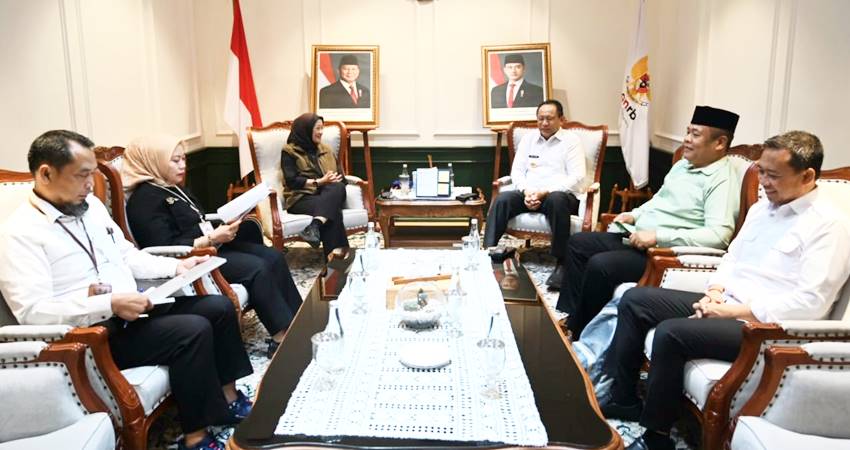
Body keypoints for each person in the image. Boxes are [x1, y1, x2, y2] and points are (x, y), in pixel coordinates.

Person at [0, 130, 253, 450]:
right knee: (191, 329)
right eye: (81, 176)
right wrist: (110, 302)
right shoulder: (19, 234)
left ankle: (228, 400)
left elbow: (126, 255)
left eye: (92, 173)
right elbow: (32, 310)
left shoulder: (89, 207)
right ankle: (196, 438)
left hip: (132, 310)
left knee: (216, 307)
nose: (91, 185)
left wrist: (175, 267)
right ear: (46, 173)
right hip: (92, 336)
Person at [600, 130, 850, 450]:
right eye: (760, 171)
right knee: (636, 299)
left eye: (773, 175)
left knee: (671, 333)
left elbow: (810, 303)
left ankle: (657, 434)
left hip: (762, 327)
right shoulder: (762, 209)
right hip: (726, 303)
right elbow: (732, 257)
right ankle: (623, 399)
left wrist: (731, 311)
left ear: (807, 175)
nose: (763, 182)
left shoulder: (830, 226)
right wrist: (716, 291)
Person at [557, 106, 741, 337]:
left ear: (719, 143)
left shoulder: (722, 180)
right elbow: (658, 201)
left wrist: (658, 236)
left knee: (601, 265)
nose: (686, 140)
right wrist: (634, 214)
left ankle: (581, 331)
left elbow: (718, 236)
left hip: (663, 253)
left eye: (695, 134)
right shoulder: (683, 165)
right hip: (638, 237)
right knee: (579, 243)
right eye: (687, 132)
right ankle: (571, 316)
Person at [121, 135, 302, 358]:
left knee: (273, 256)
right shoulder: (144, 199)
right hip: (194, 260)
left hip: (214, 246)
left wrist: (224, 225)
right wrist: (211, 239)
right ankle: (281, 337)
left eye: (183, 159)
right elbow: (164, 245)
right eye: (175, 161)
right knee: (257, 268)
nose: (183, 165)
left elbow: (198, 220)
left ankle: (297, 321)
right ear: (154, 161)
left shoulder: (172, 187)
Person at [484, 99, 585, 288]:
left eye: (549, 119)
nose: (544, 123)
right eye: (540, 119)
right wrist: (528, 191)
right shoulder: (529, 139)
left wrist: (544, 192)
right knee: (503, 199)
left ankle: (561, 264)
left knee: (556, 201)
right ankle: (487, 251)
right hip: (529, 192)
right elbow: (517, 172)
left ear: (561, 119)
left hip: (559, 195)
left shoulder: (572, 141)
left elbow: (577, 176)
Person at [280, 113, 350, 256]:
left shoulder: (326, 150)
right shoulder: (289, 151)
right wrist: (319, 182)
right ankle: (338, 260)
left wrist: (336, 179)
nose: (321, 132)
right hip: (301, 198)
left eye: (322, 128)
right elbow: (291, 181)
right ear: (305, 130)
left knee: (338, 187)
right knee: (333, 211)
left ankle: (314, 226)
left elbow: (342, 178)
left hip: (327, 194)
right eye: (317, 128)